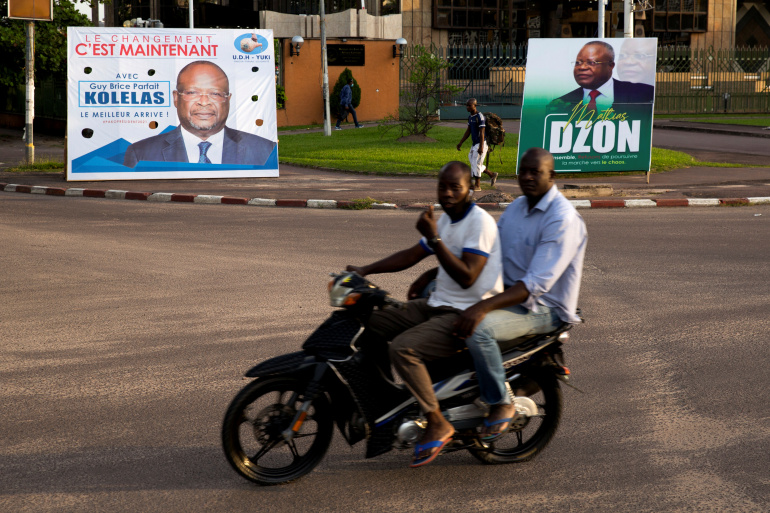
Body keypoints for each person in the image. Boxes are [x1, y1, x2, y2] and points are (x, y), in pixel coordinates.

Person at [346, 161, 503, 468]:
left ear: (470, 187)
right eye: (442, 186)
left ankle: (436, 420)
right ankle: (389, 398)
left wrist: (434, 240)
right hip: (436, 303)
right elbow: (411, 255)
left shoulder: (480, 223)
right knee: (372, 320)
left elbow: (468, 277)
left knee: (402, 348)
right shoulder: (446, 221)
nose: (446, 193)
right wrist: (365, 270)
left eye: (454, 187)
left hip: (463, 313)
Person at [453, 147, 587, 440]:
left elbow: (533, 286)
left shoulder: (562, 218)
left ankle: (501, 402)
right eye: (522, 170)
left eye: (534, 172)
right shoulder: (516, 208)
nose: (526, 177)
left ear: (551, 176)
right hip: (509, 293)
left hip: (542, 307)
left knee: (479, 330)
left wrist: (482, 307)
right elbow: (491, 252)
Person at [123, 61, 276, 167]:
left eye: (215, 94)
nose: (204, 102)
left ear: (228, 100)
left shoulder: (264, 150)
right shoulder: (140, 153)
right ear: (176, 98)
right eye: (192, 92)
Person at [550, 41, 654, 110]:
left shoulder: (643, 94)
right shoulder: (562, 103)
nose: (582, 67)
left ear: (610, 66)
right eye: (578, 62)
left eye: (591, 63)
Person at [456, 98, 498, 191]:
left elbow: (482, 132)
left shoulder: (480, 116)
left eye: (469, 105)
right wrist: (460, 142)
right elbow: (468, 131)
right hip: (474, 143)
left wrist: (481, 147)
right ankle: (491, 174)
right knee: (472, 161)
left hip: (481, 143)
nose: (467, 107)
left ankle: (477, 185)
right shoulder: (470, 117)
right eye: (466, 105)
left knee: (477, 163)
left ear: (474, 106)